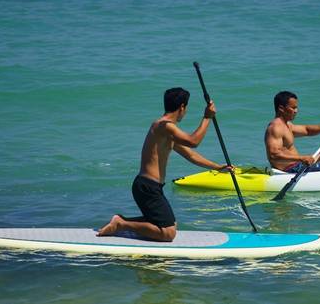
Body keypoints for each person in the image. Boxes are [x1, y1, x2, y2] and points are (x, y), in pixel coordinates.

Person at [97, 87, 230, 241]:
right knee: (168, 233)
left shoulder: (167, 131)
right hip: (147, 187)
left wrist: (218, 167)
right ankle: (121, 224)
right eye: (186, 108)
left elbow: (191, 155)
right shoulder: (163, 126)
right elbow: (193, 142)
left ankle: (121, 221)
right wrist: (207, 118)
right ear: (182, 107)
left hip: (151, 187)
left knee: (170, 224)